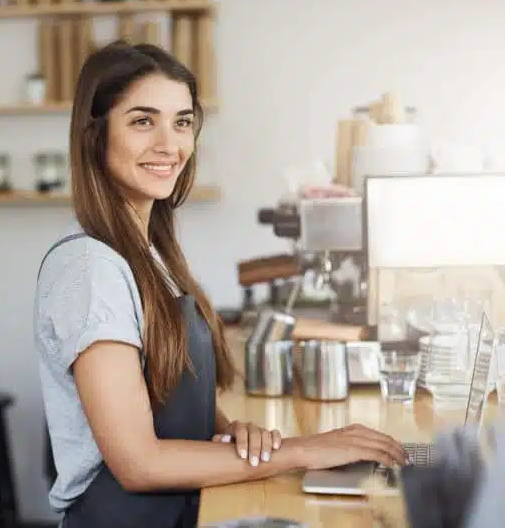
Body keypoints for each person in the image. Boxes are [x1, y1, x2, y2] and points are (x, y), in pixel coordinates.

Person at [33, 40, 407, 528]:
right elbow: (138, 463)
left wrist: (234, 433)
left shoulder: (148, 251)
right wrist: (302, 451)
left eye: (182, 122)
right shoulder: (90, 267)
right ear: (95, 136)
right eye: (143, 121)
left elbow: (168, 395)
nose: (171, 145)